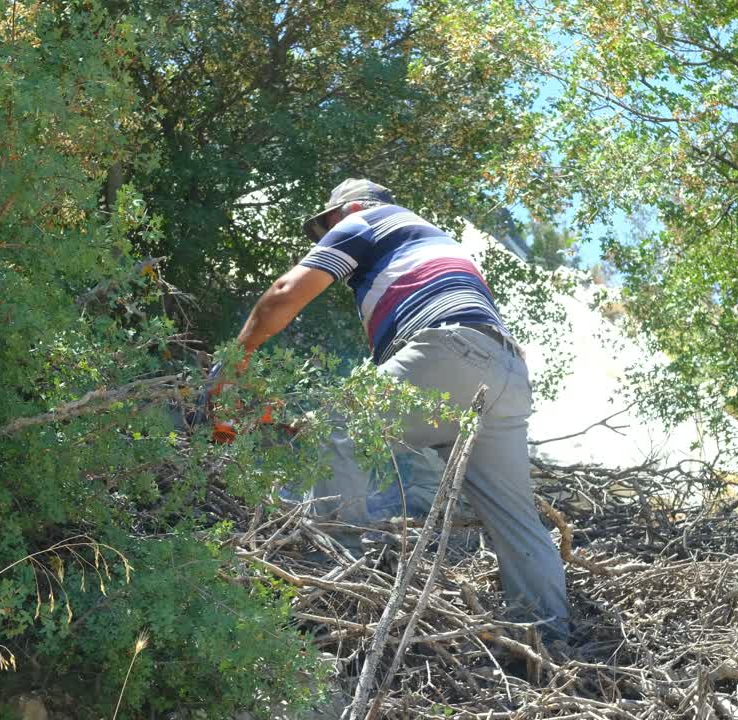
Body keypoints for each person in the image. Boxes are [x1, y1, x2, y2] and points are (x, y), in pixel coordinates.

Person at [232, 178, 570, 638]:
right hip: (506, 371)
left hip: (451, 350)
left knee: (336, 425)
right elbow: (406, 421)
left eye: (326, 225)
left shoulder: (365, 220)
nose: (326, 236)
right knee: (517, 522)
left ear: (349, 208)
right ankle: (550, 641)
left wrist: (236, 360)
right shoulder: (430, 243)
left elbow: (285, 292)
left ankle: (333, 587)